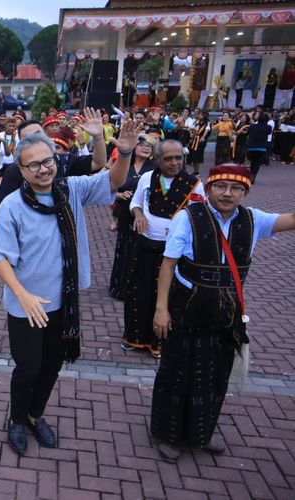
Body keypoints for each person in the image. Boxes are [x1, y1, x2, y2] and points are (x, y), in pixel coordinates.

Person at [0, 120, 141, 456]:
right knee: (28, 367)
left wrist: (126, 152)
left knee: (52, 365)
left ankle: (35, 413)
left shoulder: (70, 189)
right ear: (22, 169)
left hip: (64, 301)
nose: (43, 169)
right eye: (34, 165)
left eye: (48, 161)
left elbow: (114, 179)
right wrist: (22, 294)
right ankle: (16, 420)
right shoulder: (12, 206)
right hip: (27, 305)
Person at [150, 164, 295, 462]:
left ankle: (201, 433)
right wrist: (161, 309)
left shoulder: (253, 219)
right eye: (221, 186)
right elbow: (168, 265)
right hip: (188, 304)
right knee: (178, 371)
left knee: (216, 373)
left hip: (226, 310)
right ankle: (168, 435)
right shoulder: (187, 218)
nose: (227, 193)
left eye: (236, 188)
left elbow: (291, 220)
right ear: (209, 188)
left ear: (245, 192)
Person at [122, 140, 205, 358]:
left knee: (169, 298)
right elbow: (135, 203)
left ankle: (160, 343)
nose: (174, 162)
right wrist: (138, 215)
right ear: (157, 160)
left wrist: (182, 231)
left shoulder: (194, 185)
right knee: (138, 294)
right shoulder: (147, 178)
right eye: (168, 158)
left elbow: (198, 216)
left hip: (174, 254)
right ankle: (134, 338)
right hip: (144, 246)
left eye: (178, 158)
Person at [108, 134, 158, 300]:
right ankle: (119, 287)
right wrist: (118, 194)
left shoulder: (155, 168)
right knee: (123, 249)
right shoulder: (124, 165)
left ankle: (136, 289)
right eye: (142, 144)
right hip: (124, 213)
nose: (145, 148)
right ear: (134, 147)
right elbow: (108, 184)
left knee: (140, 251)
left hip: (145, 216)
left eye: (149, 146)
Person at [247, 114, 272, 184]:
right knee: (257, 163)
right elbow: (269, 133)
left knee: (252, 162)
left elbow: (248, 132)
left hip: (251, 147)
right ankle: (253, 176)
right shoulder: (268, 127)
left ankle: (250, 175)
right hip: (261, 148)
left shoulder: (252, 126)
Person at [188, 112, 211, 176]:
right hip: (195, 139)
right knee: (194, 155)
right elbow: (194, 130)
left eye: (201, 114)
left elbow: (207, 130)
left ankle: (197, 172)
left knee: (198, 155)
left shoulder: (207, 123)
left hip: (200, 141)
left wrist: (203, 137)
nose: (199, 115)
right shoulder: (198, 122)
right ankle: (195, 171)